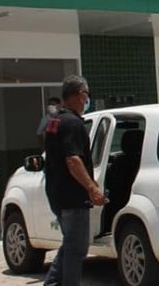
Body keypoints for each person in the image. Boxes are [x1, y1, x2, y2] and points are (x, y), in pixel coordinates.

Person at [43, 76, 107, 286]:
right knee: (77, 248)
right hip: (72, 197)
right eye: (86, 95)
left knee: (70, 244)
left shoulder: (54, 121)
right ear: (81, 95)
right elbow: (72, 160)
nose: (87, 99)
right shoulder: (72, 123)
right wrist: (92, 188)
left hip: (57, 194)